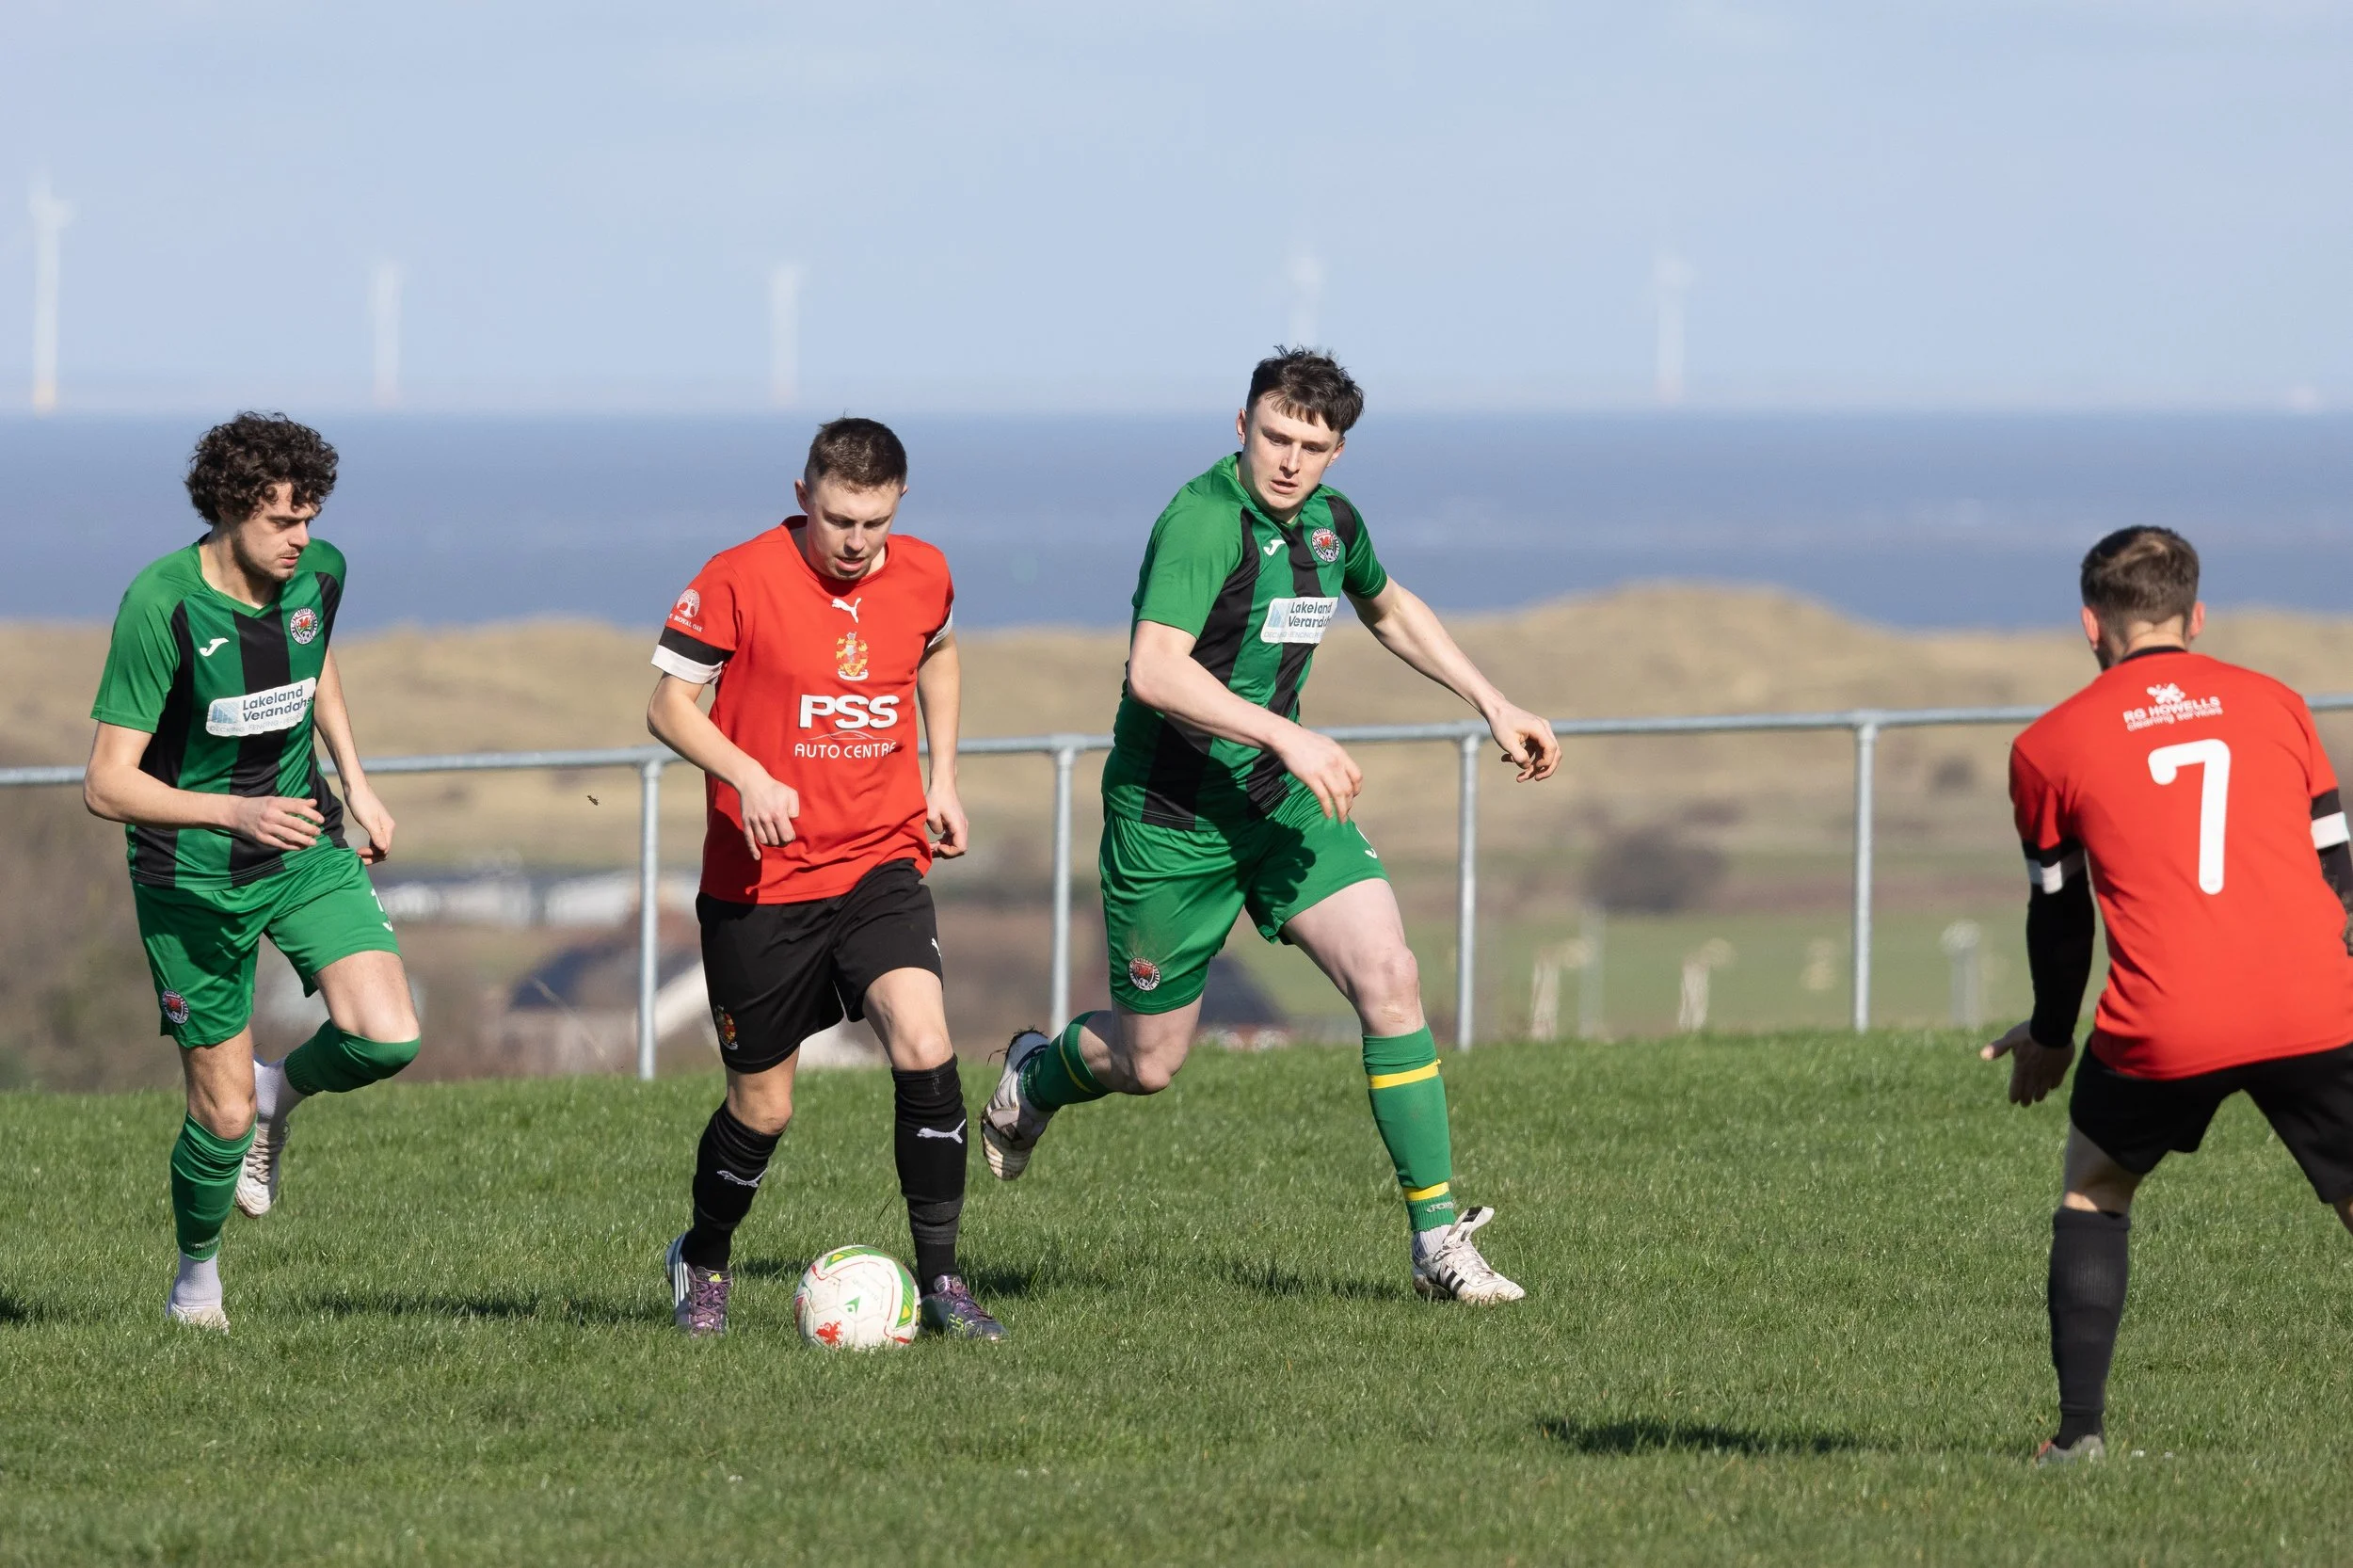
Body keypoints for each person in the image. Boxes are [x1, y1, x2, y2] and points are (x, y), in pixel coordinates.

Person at [980, 349, 1561, 1303]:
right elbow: (1155, 672)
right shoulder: (1203, 521)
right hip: (1170, 820)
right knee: (1149, 1061)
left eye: (1313, 445)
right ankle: (1037, 1073)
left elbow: (1389, 606)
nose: (1290, 460)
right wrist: (1285, 734)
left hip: (1280, 803)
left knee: (1391, 975)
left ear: (1337, 452)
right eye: (1275, 435)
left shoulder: (1333, 526)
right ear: (1241, 425)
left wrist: (1492, 702)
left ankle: (1435, 1241)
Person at [1983, 525, 2353, 1464]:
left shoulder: (2047, 745)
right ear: (2195, 616)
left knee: (2096, 1188)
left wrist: (2053, 1035)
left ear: (2087, 625)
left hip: (2166, 1022)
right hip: (2314, 1000)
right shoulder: (2276, 703)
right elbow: (2339, 871)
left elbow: (2060, 920)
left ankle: (2078, 1438)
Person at [648, 416, 1003, 1340]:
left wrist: (944, 776)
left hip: (878, 859)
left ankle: (945, 1285)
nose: (854, 542)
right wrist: (746, 772)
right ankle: (705, 1259)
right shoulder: (737, 577)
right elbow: (665, 706)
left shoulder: (924, 572)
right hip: (759, 885)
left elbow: (939, 652)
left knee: (924, 1042)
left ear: (898, 506)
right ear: (804, 495)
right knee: (763, 1106)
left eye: (873, 523)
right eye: (839, 519)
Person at [83, 412, 421, 1332]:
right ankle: (196, 1283)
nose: (303, 538)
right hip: (191, 877)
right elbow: (106, 783)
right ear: (231, 511)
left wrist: (358, 782)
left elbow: (315, 667)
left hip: (302, 840)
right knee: (220, 1119)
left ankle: (283, 1089)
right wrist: (232, 810)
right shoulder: (161, 605)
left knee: (388, 1035)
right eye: (282, 520)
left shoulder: (320, 574)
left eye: (310, 516)